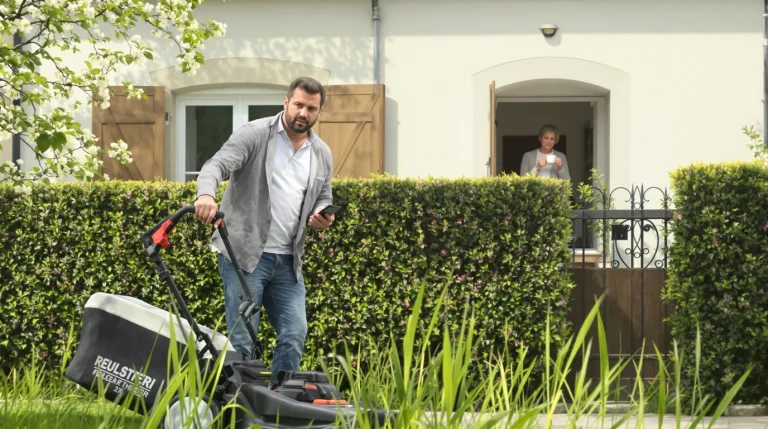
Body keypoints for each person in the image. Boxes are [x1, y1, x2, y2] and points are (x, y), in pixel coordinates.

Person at [193, 76, 335, 385]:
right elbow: (215, 165)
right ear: (286, 102)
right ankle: (239, 412)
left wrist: (322, 213)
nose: (303, 113)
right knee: (242, 340)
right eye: (298, 105)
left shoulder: (321, 152)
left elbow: (324, 195)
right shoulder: (255, 134)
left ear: (318, 111)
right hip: (245, 256)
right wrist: (205, 194)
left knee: (294, 333)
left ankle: (278, 406)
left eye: (311, 108)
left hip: (288, 261)